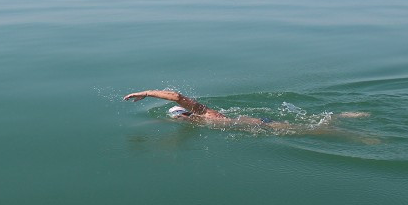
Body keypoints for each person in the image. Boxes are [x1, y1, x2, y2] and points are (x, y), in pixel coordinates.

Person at [122, 89, 369, 132]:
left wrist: (146, 92)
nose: (179, 119)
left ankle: (352, 130)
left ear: (184, 113)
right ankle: (342, 118)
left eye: (178, 115)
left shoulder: (203, 114)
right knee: (308, 126)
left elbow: (176, 96)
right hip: (255, 122)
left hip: (260, 125)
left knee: (310, 130)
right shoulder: (194, 123)